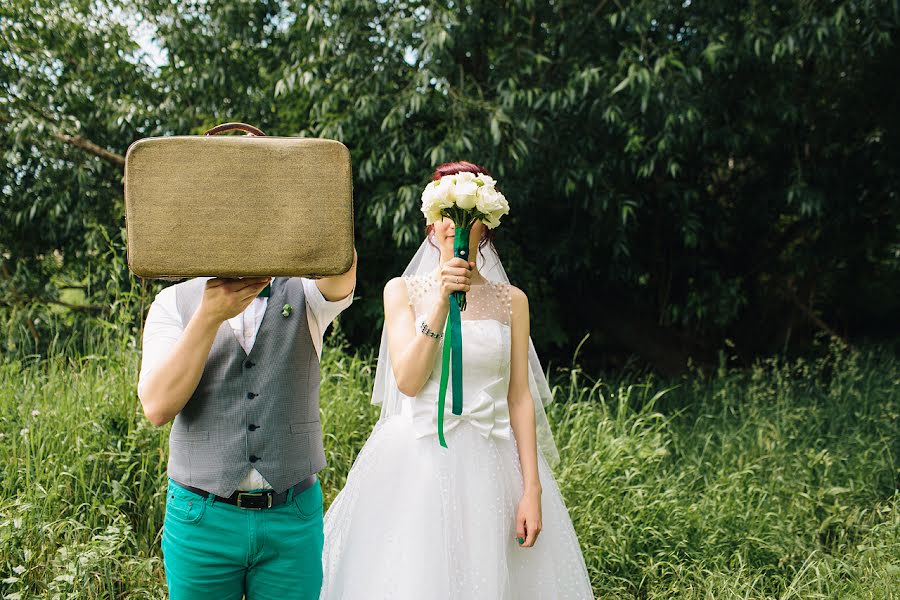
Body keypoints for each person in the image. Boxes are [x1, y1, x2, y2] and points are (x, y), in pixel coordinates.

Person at [319, 162, 593, 599]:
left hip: (494, 463)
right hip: (416, 462)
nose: (455, 226)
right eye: (446, 213)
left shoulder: (512, 301)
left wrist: (532, 489)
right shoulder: (402, 291)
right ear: (431, 221)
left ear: (486, 224)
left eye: (467, 214)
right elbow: (408, 380)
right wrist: (442, 302)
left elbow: (519, 397)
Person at [137, 252, 356, 600]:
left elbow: (341, 266)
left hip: (291, 518)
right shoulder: (173, 303)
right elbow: (157, 406)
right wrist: (208, 315)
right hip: (200, 519)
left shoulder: (307, 291)